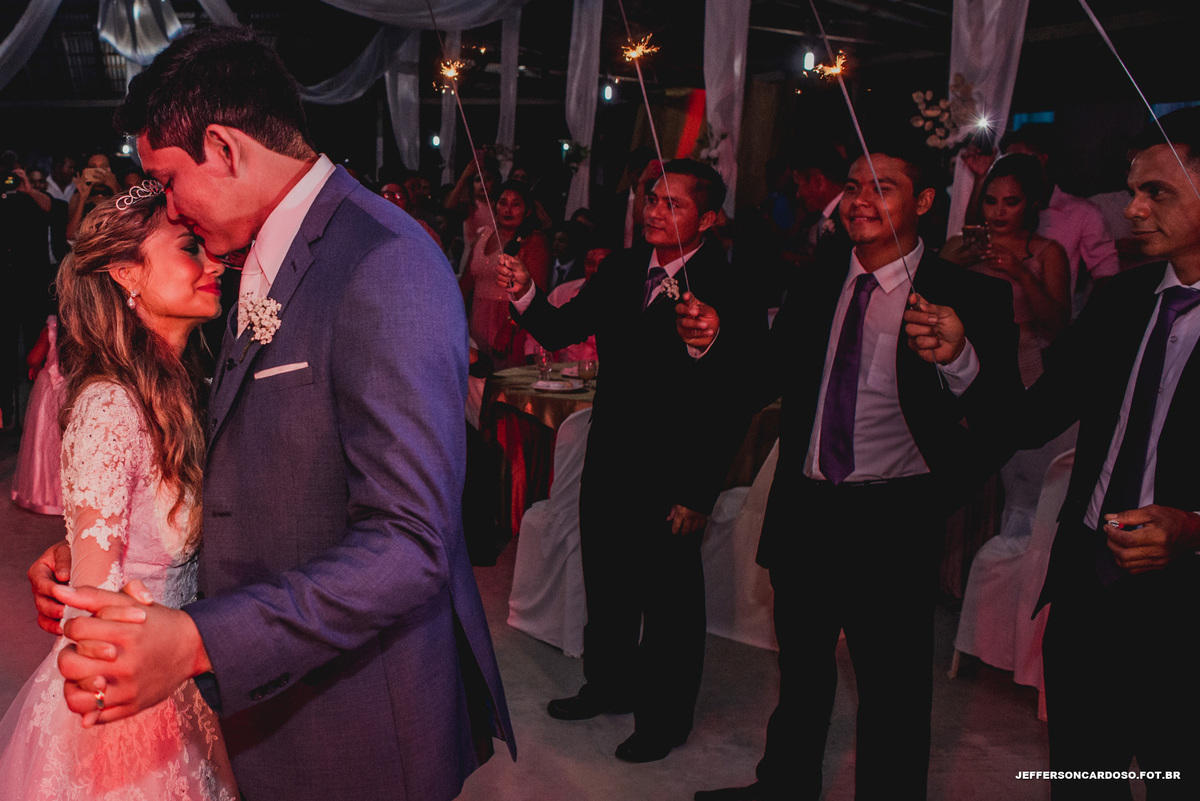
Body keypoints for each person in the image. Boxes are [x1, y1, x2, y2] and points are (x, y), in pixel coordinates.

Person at [27, 26, 513, 801]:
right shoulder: (259, 254)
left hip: (356, 723)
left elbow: (411, 540)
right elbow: (251, 464)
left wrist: (195, 636)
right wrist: (100, 559)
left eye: (168, 177)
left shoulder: (383, 261)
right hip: (270, 702)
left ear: (223, 148)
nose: (168, 202)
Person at [686, 139, 1021, 800]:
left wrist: (957, 370)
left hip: (893, 513)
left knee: (893, 688)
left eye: (884, 187)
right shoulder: (820, 277)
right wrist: (715, 342)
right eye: (854, 184)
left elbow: (1004, 419)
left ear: (924, 201)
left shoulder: (966, 296)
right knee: (802, 669)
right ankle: (784, 783)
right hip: (808, 505)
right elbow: (768, 374)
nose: (861, 200)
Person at [499, 159, 761, 763]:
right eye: (651, 198)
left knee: (669, 600)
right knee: (609, 580)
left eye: (673, 203)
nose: (654, 210)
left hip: (674, 469)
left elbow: (735, 397)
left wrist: (698, 491)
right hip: (610, 453)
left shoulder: (728, 286)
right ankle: (608, 685)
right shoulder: (621, 268)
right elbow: (561, 327)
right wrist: (524, 293)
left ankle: (665, 719)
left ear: (710, 218)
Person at [0, 186, 240, 799]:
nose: (214, 265)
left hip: (184, 666)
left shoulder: (180, 390)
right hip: (130, 685)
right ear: (127, 271)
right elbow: (93, 599)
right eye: (190, 248)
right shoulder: (110, 406)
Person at [942, 152, 1070, 387]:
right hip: (963, 355)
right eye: (990, 201)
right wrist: (950, 267)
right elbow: (927, 302)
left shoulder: (1048, 252)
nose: (998, 212)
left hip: (1021, 360)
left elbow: (1059, 324)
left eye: (1011, 202)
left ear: (1031, 203)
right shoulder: (959, 245)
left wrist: (1022, 273)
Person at [462, 179, 550, 369]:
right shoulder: (483, 236)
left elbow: (538, 292)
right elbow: (466, 284)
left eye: (516, 204)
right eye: (503, 203)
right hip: (477, 319)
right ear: (495, 206)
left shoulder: (533, 242)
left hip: (511, 324)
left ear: (527, 211)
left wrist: (511, 325)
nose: (508, 210)